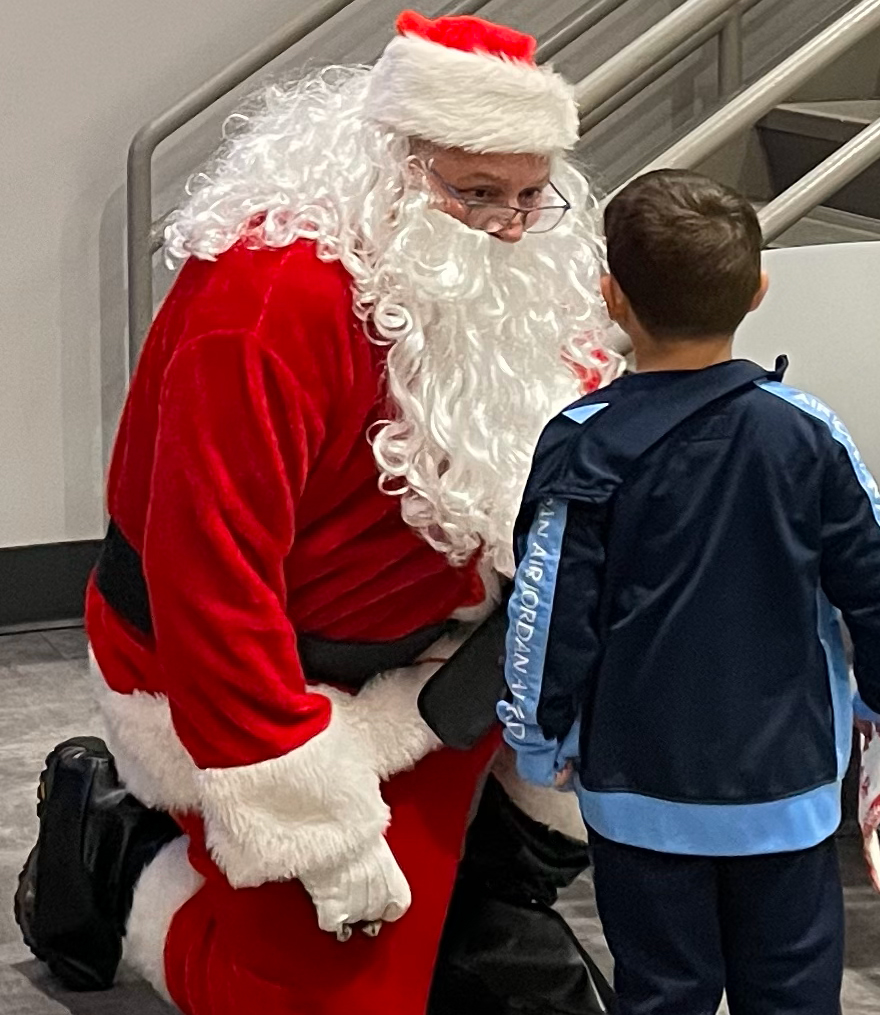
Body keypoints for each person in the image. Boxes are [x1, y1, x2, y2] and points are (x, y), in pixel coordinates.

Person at [14, 12, 624, 1015]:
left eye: (529, 194)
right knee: (313, 1003)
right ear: (386, 165)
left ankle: (475, 905)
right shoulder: (265, 303)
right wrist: (313, 820)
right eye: (477, 194)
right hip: (270, 693)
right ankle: (118, 860)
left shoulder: (526, 277)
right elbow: (208, 582)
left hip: (451, 665)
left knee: (566, 825)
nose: (512, 227)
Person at [499, 169, 880, 1015]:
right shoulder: (806, 431)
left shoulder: (580, 442)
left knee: (662, 990)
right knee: (795, 993)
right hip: (789, 786)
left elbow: (547, 609)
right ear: (757, 290)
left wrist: (537, 735)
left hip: (637, 788)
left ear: (611, 298)